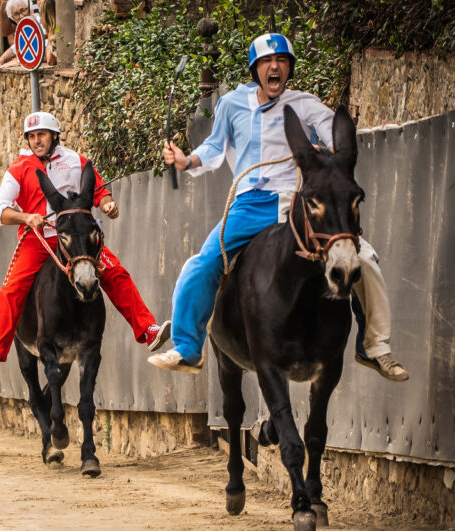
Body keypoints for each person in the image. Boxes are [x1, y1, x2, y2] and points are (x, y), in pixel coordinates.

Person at [150, 33, 408, 382]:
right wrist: (187, 160)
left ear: (288, 68)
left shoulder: (305, 104)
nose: (275, 67)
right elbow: (213, 147)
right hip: (247, 205)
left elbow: (335, 134)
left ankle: (374, 348)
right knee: (202, 263)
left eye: (282, 61)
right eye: (267, 62)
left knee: (365, 260)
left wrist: (332, 153)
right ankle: (188, 347)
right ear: (255, 69)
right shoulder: (231, 104)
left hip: (296, 206)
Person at [0, 111, 169, 374]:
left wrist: (108, 204)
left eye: (41, 135)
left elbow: (99, 191)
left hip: (76, 237)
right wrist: (26, 217)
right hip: (38, 239)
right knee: (13, 287)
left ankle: (148, 330)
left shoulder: (76, 160)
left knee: (115, 272)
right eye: (31, 136)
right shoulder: (17, 169)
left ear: (55, 136)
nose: (36, 141)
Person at [0, 0, 30, 76]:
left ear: (29, 8)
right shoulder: (22, 28)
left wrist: (19, 61)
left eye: (23, 11)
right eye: (16, 14)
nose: (21, 16)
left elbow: (54, 32)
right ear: (12, 18)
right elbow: (16, 47)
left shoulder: (39, 18)